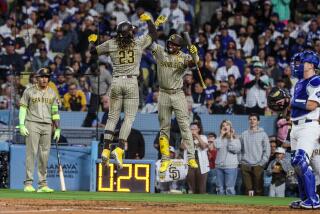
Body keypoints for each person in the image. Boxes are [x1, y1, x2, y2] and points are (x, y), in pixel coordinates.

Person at [92, 13, 160, 169]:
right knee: (128, 118)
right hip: (131, 82)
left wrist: (92, 42)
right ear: (129, 32)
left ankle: (106, 149)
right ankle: (120, 148)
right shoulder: (137, 43)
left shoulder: (111, 43)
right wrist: (149, 20)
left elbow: (93, 52)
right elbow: (154, 35)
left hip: (116, 81)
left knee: (112, 118)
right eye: (131, 30)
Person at [149, 33, 199, 172]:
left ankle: (191, 157)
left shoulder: (184, 56)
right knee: (164, 128)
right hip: (163, 93)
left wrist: (194, 54)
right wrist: (152, 25)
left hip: (178, 93)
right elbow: (149, 42)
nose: (171, 46)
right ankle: (165, 159)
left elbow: (194, 63)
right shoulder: (160, 52)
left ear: (179, 47)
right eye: (170, 43)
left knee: (185, 126)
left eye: (175, 45)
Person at [18, 68, 61, 193]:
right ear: (37, 78)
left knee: (44, 155)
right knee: (31, 154)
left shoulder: (52, 93)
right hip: (32, 123)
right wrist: (21, 124)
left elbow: (55, 113)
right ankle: (28, 183)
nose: (44, 79)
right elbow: (23, 108)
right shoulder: (29, 91)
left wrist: (58, 129)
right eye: (42, 77)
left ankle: (42, 185)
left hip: (47, 125)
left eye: (46, 77)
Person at [288, 51, 320, 209]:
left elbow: (312, 105)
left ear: (312, 65)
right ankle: (304, 199)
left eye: (302, 62)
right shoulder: (299, 82)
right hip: (295, 126)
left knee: (301, 161)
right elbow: (295, 105)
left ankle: (314, 200)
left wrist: (292, 101)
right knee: (296, 164)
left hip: (309, 125)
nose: (298, 65)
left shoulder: (316, 81)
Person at [240, 113, 270, 196]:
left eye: (254, 119)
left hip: (258, 165)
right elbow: (240, 149)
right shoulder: (244, 134)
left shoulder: (263, 135)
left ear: (258, 122)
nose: (252, 121)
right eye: (250, 119)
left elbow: (267, 151)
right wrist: (241, 161)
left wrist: (261, 164)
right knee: (247, 189)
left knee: (258, 189)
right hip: (245, 164)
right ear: (248, 121)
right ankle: (248, 208)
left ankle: (259, 208)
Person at [215, 120, 241, 195]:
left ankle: (231, 206)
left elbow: (235, 150)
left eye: (227, 125)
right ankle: (220, 205)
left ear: (230, 127)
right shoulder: (219, 138)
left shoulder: (236, 139)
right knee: (220, 188)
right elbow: (217, 146)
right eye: (223, 125)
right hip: (219, 167)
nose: (225, 126)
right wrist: (221, 135)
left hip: (231, 167)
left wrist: (231, 138)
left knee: (230, 188)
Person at [185, 122, 209, 194]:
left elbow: (204, 146)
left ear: (198, 129)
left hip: (201, 164)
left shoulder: (203, 137)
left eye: (194, 129)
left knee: (201, 187)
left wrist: (197, 136)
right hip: (190, 163)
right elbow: (182, 147)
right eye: (191, 129)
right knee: (192, 187)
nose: (193, 131)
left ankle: (201, 203)